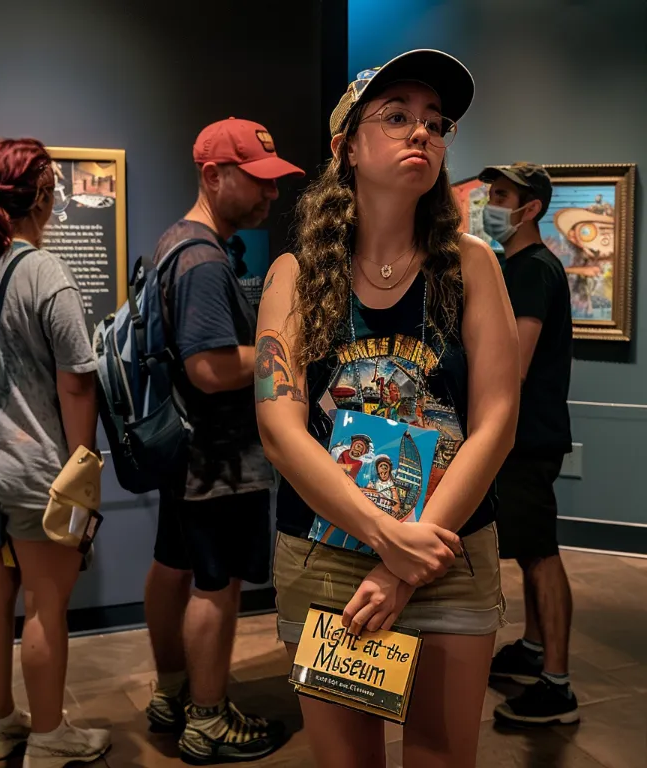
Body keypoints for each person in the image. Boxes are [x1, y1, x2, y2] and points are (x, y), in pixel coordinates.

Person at [255, 50, 520, 768]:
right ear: (346, 147)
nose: (423, 134)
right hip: (329, 556)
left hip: (447, 549)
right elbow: (280, 427)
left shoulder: (470, 266)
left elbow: (496, 422)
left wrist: (408, 557)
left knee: (441, 757)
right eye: (397, 116)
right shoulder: (295, 276)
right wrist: (380, 534)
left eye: (436, 123)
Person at [143, 117, 304, 765]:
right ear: (213, 175)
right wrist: (288, 351)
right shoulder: (205, 261)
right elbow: (209, 370)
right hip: (219, 458)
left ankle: (172, 691)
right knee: (218, 584)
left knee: (173, 566)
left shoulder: (174, 244)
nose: (272, 195)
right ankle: (207, 720)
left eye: (275, 183)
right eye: (259, 182)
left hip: (186, 456)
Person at [0, 138, 109, 767]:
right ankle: (49, 736)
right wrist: (83, 469)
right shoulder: (46, 273)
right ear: (44, 195)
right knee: (47, 606)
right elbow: (77, 379)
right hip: (42, 473)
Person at [480, 162, 578, 725]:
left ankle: (557, 685)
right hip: (524, 435)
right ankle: (536, 648)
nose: (489, 203)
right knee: (530, 545)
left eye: (500, 195)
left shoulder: (533, 270)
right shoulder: (515, 266)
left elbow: (511, 365)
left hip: (528, 436)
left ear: (531, 208)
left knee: (541, 555)